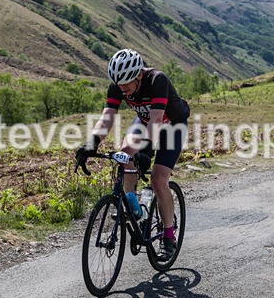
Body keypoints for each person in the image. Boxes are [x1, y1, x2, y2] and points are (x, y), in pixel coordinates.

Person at [76, 49, 190, 260]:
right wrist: (91, 143)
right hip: (146, 122)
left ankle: (168, 235)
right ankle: (134, 208)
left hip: (172, 125)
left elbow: (157, 120)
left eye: (127, 85)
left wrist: (146, 151)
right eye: (119, 85)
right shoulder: (119, 84)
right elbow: (107, 118)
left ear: (138, 75)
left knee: (158, 179)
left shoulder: (157, 80)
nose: (123, 89)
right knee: (124, 155)